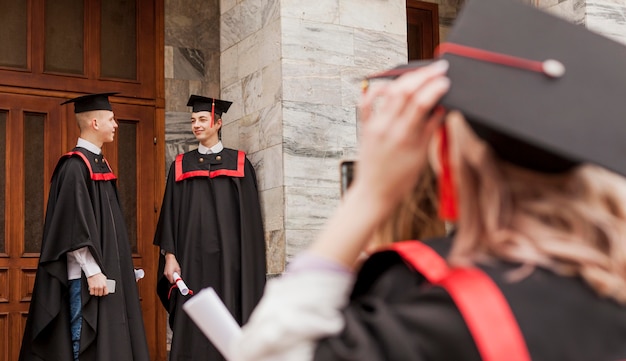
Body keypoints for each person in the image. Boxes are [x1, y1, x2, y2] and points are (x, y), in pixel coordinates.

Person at [222, 0, 626, 359]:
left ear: (458, 169)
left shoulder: (451, 322)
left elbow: (270, 351)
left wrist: (369, 196)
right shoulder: (609, 291)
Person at [19, 93, 150, 361]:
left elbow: (103, 226)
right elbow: (72, 227)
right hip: (83, 279)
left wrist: (121, 267)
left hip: (102, 278)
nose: (116, 125)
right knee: (83, 342)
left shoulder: (100, 165)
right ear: (94, 122)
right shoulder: (74, 166)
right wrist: (92, 271)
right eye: (111, 119)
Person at [154, 95, 266, 360]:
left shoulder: (239, 164)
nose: (196, 125)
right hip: (190, 262)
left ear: (218, 123)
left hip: (231, 263)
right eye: (193, 120)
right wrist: (170, 257)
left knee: (230, 315)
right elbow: (169, 213)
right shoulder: (181, 166)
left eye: (202, 120)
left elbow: (250, 224)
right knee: (191, 321)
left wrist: (248, 267)